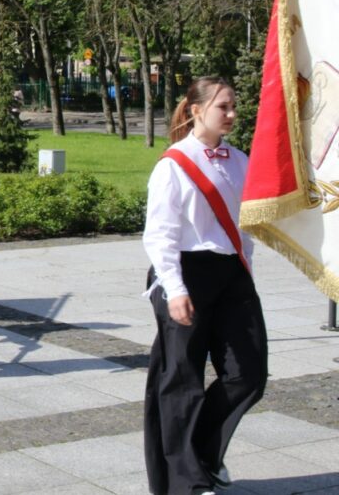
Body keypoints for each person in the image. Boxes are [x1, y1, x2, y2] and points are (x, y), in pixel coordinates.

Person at [142, 76, 267, 495]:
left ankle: (203, 452)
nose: (231, 115)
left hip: (231, 274)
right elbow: (160, 235)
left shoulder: (240, 160)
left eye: (233, 107)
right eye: (223, 107)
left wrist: (245, 267)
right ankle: (187, 482)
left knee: (248, 373)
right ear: (197, 110)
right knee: (182, 380)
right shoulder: (174, 164)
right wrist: (175, 290)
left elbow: (244, 223)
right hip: (184, 272)